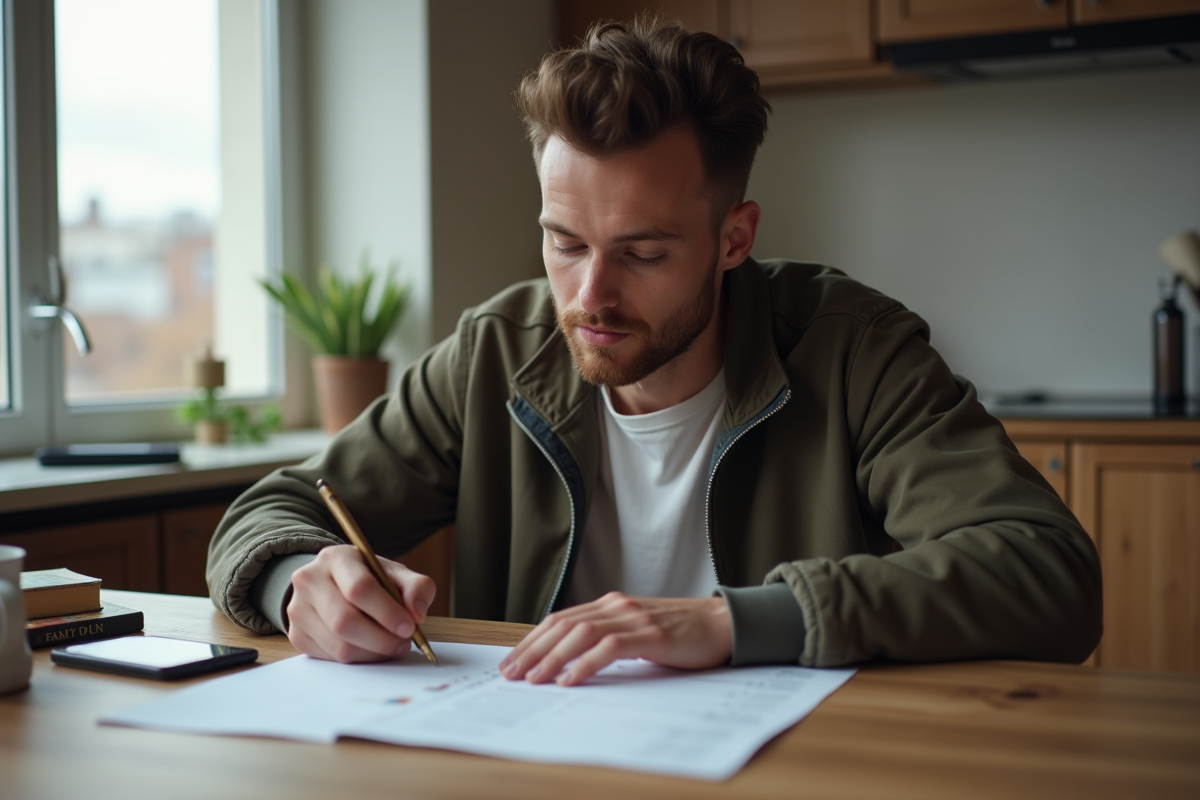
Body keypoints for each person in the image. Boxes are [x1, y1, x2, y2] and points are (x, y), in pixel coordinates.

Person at [207, 18, 1101, 686]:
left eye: (641, 254)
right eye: (565, 242)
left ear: (734, 238)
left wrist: (734, 622)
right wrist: (298, 581)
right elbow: (272, 509)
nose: (589, 296)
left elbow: (1048, 573)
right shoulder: (497, 353)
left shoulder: (852, 351)